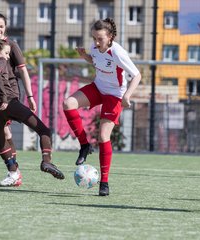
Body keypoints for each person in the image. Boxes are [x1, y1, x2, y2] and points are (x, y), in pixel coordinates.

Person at [0, 39, 64, 190]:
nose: (7, 57)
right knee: (44, 130)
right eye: (6, 53)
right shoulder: (0, 61)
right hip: (9, 103)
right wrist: (4, 97)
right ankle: (46, 161)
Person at [63, 18, 141, 196]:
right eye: (94, 39)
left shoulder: (118, 52)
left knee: (103, 136)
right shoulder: (94, 48)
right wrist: (85, 57)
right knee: (68, 103)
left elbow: (136, 75)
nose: (96, 43)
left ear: (110, 37)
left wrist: (127, 96)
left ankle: (104, 182)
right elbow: (96, 61)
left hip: (114, 96)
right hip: (98, 88)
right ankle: (84, 145)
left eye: (100, 39)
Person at [0, 12, 37, 187]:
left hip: (7, 97)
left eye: (1, 26)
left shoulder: (11, 45)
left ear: (6, 28)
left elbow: (23, 71)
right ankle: (14, 173)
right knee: (5, 134)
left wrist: (30, 95)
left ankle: (13, 172)